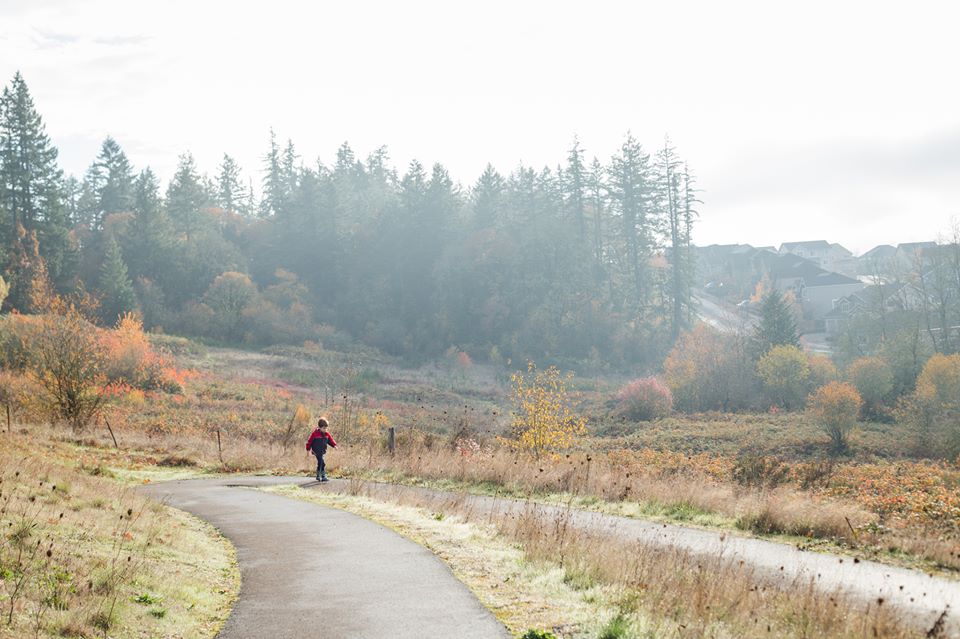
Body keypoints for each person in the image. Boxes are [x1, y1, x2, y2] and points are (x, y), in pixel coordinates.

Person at [305, 417, 337, 482]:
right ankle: (323, 476)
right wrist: (308, 450)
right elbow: (309, 442)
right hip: (316, 451)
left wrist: (334, 445)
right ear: (319, 427)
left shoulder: (326, 434)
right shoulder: (315, 434)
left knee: (320, 463)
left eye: (326, 428)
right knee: (322, 462)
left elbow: (330, 440)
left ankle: (318, 475)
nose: (325, 430)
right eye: (324, 428)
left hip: (322, 451)